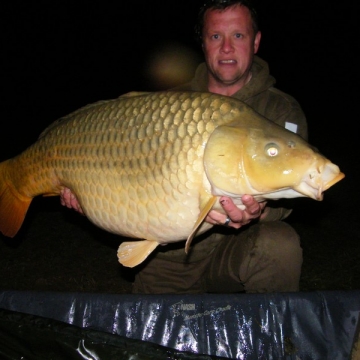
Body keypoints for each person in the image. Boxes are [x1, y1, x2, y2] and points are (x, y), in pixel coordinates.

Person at [60, 0, 308, 294]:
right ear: (203, 43)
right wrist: (86, 192)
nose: (226, 47)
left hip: (241, 250)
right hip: (170, 260)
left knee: (280, 244)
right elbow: (122, 169)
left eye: (238, 35)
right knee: (158, 337)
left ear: (256, 41)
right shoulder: (169, 107)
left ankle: (269, 336)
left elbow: (292, 188)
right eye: (216, 36)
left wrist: (261, 211)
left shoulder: (280, 109)